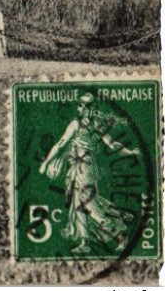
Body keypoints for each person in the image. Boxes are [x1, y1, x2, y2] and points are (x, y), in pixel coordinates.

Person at [39, 93, 139, 253]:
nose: (79, 108)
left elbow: (60, 145)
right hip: (76, 167)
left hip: (84, 168)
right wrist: (130, 152)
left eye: (82, 106)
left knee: (89, 203)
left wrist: (130, 152)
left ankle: (120, 234)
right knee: (76, 204)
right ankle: (85, 242)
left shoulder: (79, 125)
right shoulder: (92, 124)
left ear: (90, 108)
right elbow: (111, 145)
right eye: (79, 105)